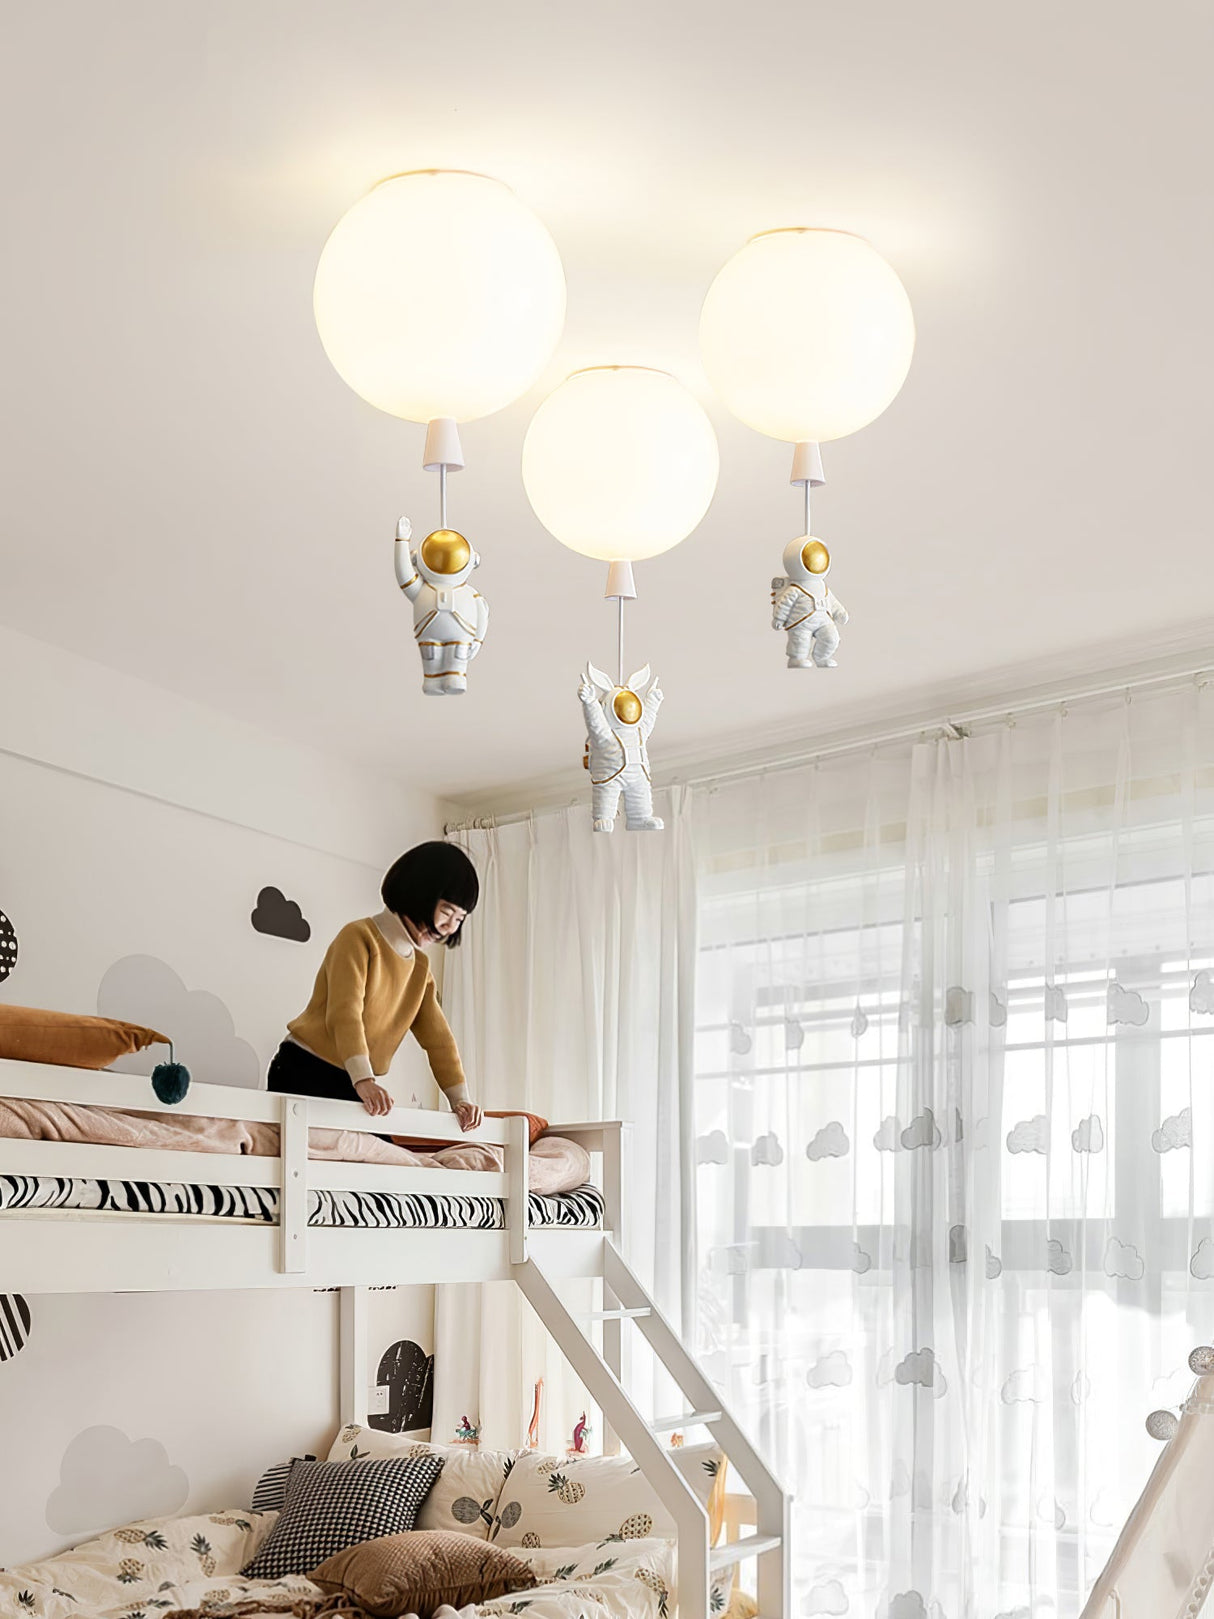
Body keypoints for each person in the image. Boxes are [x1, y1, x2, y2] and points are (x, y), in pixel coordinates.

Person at [267, 841, 483, 1130]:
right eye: (446, 911)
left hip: (352, 1078)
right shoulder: (359, 937)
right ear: (419, 892)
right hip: (305, 1067)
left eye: (459, 919)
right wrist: (364, 1079)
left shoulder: (419, 968)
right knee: (359, 1161)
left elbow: (439, 1040)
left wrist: (460, 1099)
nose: (450, 927)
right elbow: (345, 1014)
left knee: (380, 1162)